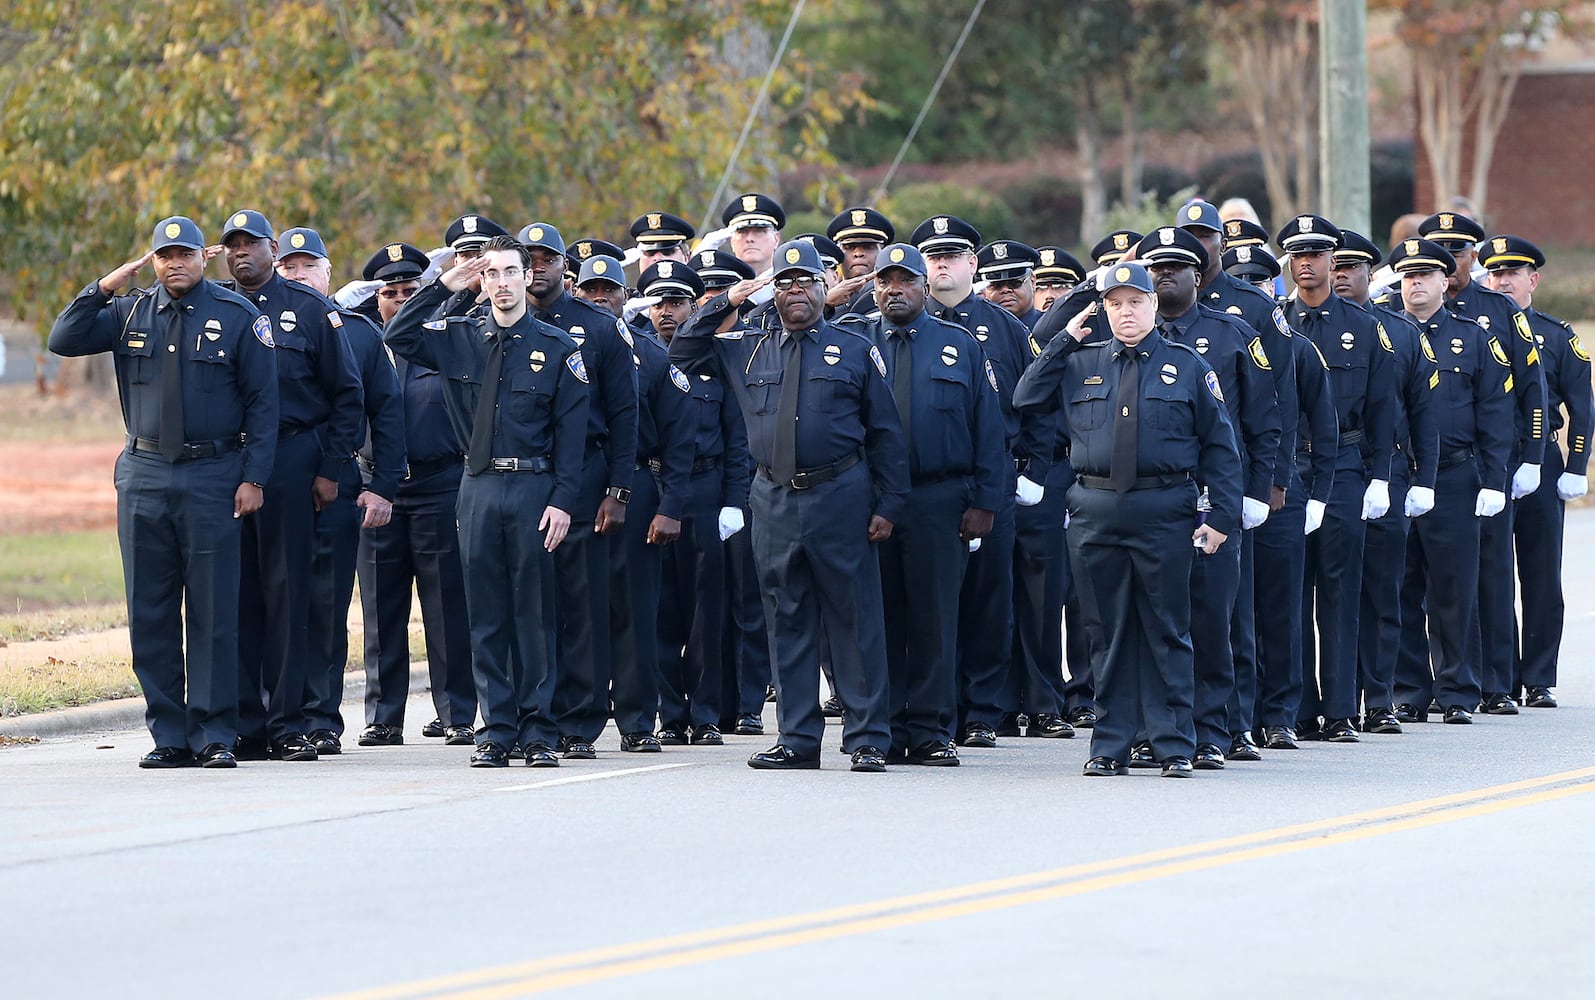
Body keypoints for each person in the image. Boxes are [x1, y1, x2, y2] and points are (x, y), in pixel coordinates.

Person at [669, 239, 909, 772]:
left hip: (840, 493)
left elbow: (886, 433)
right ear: (772, 293)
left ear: (826, 291)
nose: (796, 291)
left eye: (806, 283)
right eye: (784, 283)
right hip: (774, 497)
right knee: (786, 616)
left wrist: (890, 503)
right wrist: (735, 296)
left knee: (853, 618)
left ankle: (867, 736)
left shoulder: (852, 347)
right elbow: (683, 347)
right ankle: (798, 738)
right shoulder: (745, 347)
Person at [48, 216, 279, 768]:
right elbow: (63, 338)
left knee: (213, 610)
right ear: (152, 261)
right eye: (163, 255)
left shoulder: (238, 316)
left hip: (213, 475)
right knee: (149, 609)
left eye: (185, 254)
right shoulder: (128, 311)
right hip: (144, 474)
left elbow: (264, 404)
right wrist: (105, 285)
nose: (175, 263)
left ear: (207, 256)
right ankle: (169, 734)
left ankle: (215, 734)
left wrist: (255, 478)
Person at [1014, 263, 1242, 777]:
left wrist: (1223, 516)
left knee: (1167, 630)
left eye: (1135, 302)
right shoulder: (1080, 362)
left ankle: (1173, 743)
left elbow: (1221, 448)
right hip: (1094, 510)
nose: (1126, 312)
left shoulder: (1186, 366)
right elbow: (1025, 397)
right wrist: (1062, 341)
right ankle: (1110, 743)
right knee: (1105, 632)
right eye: (1115, 303)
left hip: (1164, 508)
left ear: (1154, 305)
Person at [385, 234, 590, 767]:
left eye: (509, 272)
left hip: (533, 489)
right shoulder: (458, 338)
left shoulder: (559, 349)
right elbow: (400, 333)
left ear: (529, 277)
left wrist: (564, 500)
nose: (501, 283)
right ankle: (497, 728)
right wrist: (442, 284)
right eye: (491, 273)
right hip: (475, 487)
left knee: (535, 615)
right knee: (486, 614)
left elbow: (572, 439)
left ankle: (539, 730)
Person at [837, 244, 1005, 763]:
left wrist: (985, 501)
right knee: (875, 619)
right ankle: (878, 728)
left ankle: (932, 729)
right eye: (885, 281)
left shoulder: (959, 344)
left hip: (939, 498)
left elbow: (989, 428)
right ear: (874, 287)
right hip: (869, 501)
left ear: (923, 287)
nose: (894, 289)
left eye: (906, 281)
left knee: (935, 618)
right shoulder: (850, 341)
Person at [1132, 226, 1279, 770]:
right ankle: (1158, 728)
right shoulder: (1123, 337)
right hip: (1150, 500)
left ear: (1200, 275)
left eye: (1177, 265)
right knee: (1154, 621)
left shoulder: (1233, 333)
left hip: (1213, 496)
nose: (1165, 272)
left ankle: (1221, 727)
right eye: (1155, 266)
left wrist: (1255, 491)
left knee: (1219, 619)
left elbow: (1265, 421)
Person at [221, 209, 364, 763]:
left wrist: (329, 469)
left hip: (290, 458)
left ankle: (287, 723)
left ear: (271, 250)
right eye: (232, 245)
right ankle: (244, 723)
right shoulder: (219, 308)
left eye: (251, 244)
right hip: (228, 461)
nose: (242, 253)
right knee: (236, 594)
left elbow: (347, 396)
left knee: (287, 595)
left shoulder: (310, 310)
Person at [912, 215, 1055, 748]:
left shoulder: (1007, 328)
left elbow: (1040, 404)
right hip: (927, 487)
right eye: (933, 256)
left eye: (952, 256)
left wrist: (1033, 472)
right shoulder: (905, 319)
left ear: (973, 264)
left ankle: (982, 712)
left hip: (995, 480)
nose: (942, 264)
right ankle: (935, 711)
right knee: (932, 603)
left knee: (990, 601)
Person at [276, 229, 405, 755]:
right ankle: (273, 713)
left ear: (329, 274)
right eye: (290, 267)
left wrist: (384, 486)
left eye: (309, 266)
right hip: (275, 481)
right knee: (276, 598)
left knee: (327, 604)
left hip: (340, 484)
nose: (299, 274)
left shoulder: (356, 333)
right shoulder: (257, 326)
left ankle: (321, 716)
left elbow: (387, 412)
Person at [517, 222, 639, 760]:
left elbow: (624, 414)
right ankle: (528, 714)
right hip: (518, 474)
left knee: (580, 602)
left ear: (565, 266)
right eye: (529, 258)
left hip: (586, 474)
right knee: (525, 602)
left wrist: (617, 488)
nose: (538, 267)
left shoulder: (599, 328)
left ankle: (579, 720)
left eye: (547, 258)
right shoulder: (494, 322)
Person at [1417, 212, 1547, 715]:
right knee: (1427, 580)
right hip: (1423, 467)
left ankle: (1495, 681)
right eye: (1437, 249)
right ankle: (1426, 685)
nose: (1448, 260)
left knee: (1488, 575)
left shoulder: (1496, 309)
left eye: (1459, 250)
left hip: (1486, 462)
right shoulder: (1400, 307)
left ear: (1474, 255)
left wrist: (1530, 457)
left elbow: (1529, 390)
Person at [1275, 215, 1395, 744]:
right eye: (1297, 255)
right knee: (1290, 593)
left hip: (1345, 466)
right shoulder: (1275, 324)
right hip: (1287, 467)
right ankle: (1299, 707)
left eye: (1317, 255)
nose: (1307, 263)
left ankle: (1343, 707)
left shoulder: (1366, 326)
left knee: (1341, 591)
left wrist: (1380, 475)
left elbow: (1383, 409)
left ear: (1332, 261)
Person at [1388, 238, 1513, 725]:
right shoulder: (1386, 335)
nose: (1415, 282)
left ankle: (1458, 688)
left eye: (1425, 275)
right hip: (1400, 472)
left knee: (1453, 588)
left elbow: (1496, 411)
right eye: (1407, 275)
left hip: (1456, 474)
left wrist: (1494, 478)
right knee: (1399, 584)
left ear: (1447, 282)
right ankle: (1409, 690)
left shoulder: (1474, 337)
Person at [1332, 230, 1438, 736]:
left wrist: (1424, 479)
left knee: (1382, 589)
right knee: (1326, 593)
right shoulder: (1294, 323)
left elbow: (1423, 412)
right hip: (1319, 469)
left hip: (1386, 470)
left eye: (1353, 267)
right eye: (1337, 265)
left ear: (1371, 274)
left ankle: (1379, 696)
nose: (1342, 274)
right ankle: (1328, 701)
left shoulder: (1398, 332)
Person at [1484, 235, 1592, 709]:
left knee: (1542, 572)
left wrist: (1576, 465)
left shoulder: (1555, 335)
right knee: (1491, 573)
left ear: (1534, 279)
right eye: (1496, 273)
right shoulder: (1478, 329)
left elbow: (1583, 407)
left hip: (1542, 463)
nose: (1503, 281)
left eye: (1513, 274)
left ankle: (1539, 675)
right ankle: (1500, 677)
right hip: (1488, 463)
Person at [648, 262, 752, 747]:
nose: (666, 312)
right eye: (658, 303)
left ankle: (706, 713)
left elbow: (736, 442)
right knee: (661, 608)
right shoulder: (643, 358)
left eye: (676, 303)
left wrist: (734, 502)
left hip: (706, 492)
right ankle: (670, 714)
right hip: (654, 492)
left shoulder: (717, 363)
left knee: (705, 610)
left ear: (695, 309)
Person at [688, 248, 772, 736]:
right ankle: (715, 701)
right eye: (706, 293)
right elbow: (684, 343)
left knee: (750, 603)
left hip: (756, 486)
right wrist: (715, 309)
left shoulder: (756, 343)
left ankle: (749, 703)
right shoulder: (699, 347)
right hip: (714, 488)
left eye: (725, 292)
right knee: (710, 602)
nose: (714, 300)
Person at [826, 206, 895, 314]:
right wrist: (825, 305)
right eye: (849, 247)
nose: (858, 253)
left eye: (868, 246)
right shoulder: (826, 300)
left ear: (882, 251)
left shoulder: (897, 295)